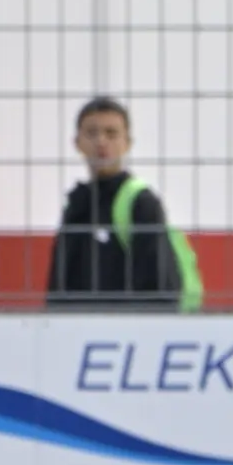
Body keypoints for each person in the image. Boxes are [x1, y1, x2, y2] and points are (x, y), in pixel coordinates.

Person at [46, 97, 183, 310]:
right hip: (74, 332)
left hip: (126, 333)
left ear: (127, 143)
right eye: (92, 133)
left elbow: (162, 288)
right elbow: (59, 285)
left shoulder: (141, 203)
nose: (101, 142)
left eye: (111, 133)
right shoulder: (76, 204)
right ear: (77, 143)